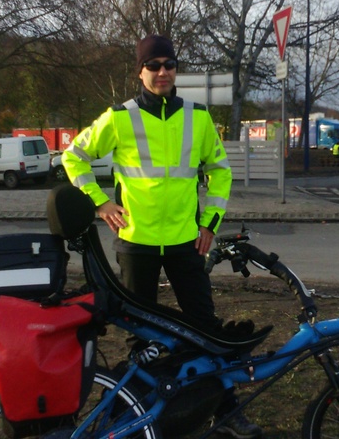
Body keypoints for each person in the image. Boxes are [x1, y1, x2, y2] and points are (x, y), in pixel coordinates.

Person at [61, 34, 262, 439]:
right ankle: (143, 412)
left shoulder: (198, 117)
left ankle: (226, 409)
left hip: (188, 240)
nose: (162, 72)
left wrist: (210, 223)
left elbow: (220, 170)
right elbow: (73, 156)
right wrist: (99, 203)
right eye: (153, 65)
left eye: (169, 64)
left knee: (207, 330)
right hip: (137, 242)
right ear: (140, 72)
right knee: (143, 337)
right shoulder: (120, 117)